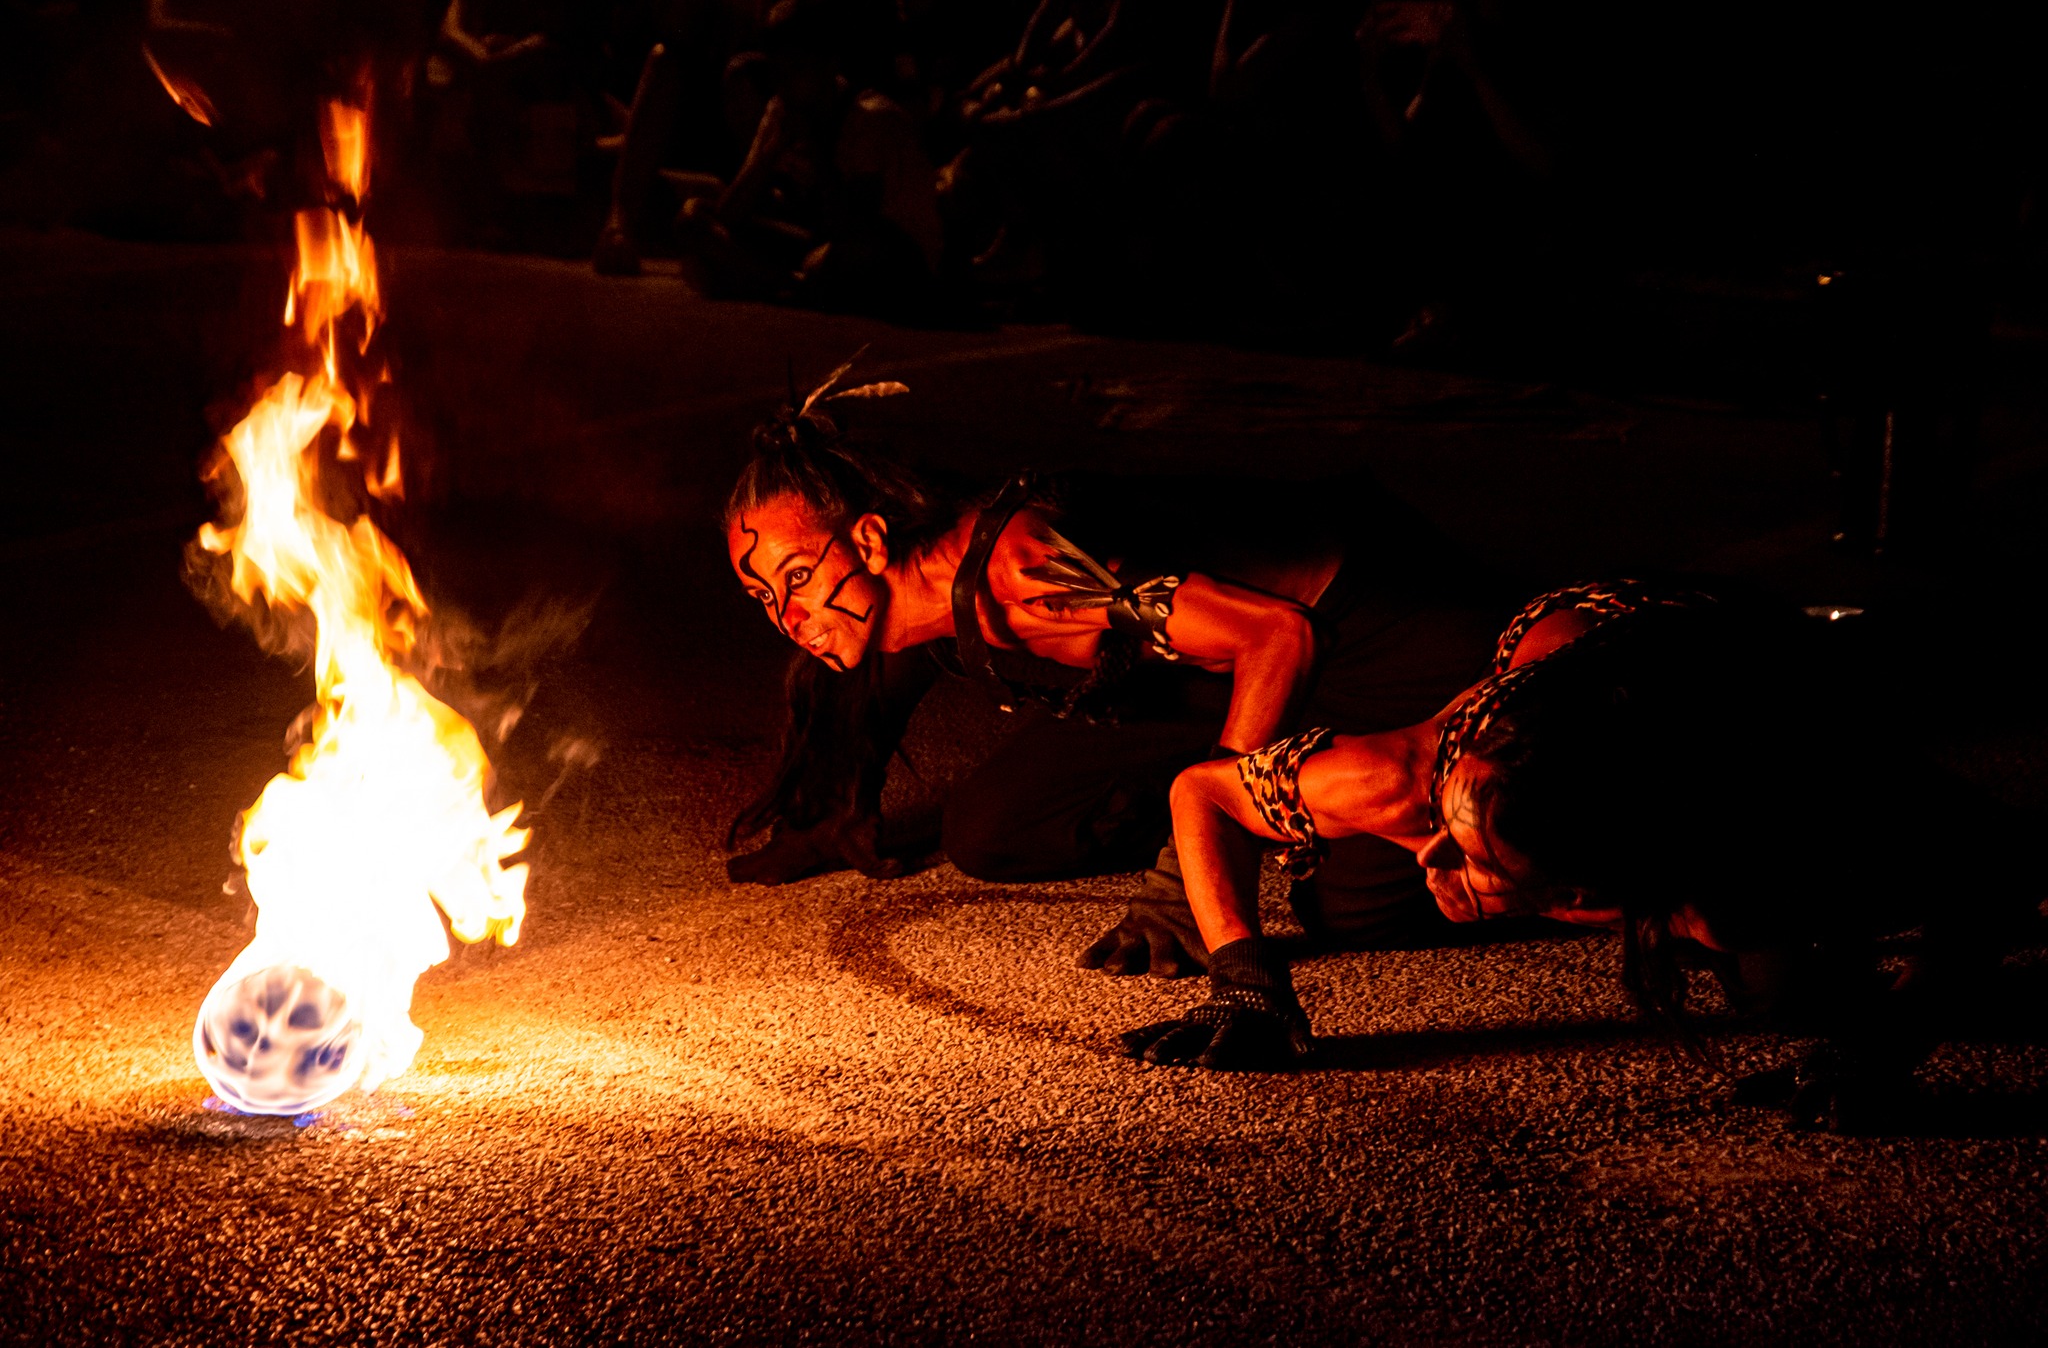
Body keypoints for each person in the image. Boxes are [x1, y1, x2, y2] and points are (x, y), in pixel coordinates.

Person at [1126, 585, 2040, 1126]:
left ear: (1598, 877)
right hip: (1575, 636)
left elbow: (1995, 863)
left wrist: (1887, 1048)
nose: (1436, 857)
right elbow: (1200, 790)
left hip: (1745, 667)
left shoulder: (1777, 803)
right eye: (1447, 828)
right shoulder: (1402, 782)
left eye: (1483, 860)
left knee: (1780, 972)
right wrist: (1245, 976)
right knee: (1351, 906)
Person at [721, 365, 1503, 964]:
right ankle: (1241, 793)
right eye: (760, 596)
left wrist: (1189, 878)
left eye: (796, 579)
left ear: (867, 543)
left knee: (1351, 911)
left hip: (1366, 632)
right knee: (991, 831)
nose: (788, 618)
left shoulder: (1027, 571)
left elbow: (1280, 637)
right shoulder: (903, 594)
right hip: (1205, 672)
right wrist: (837, 801)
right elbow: (885, 673)